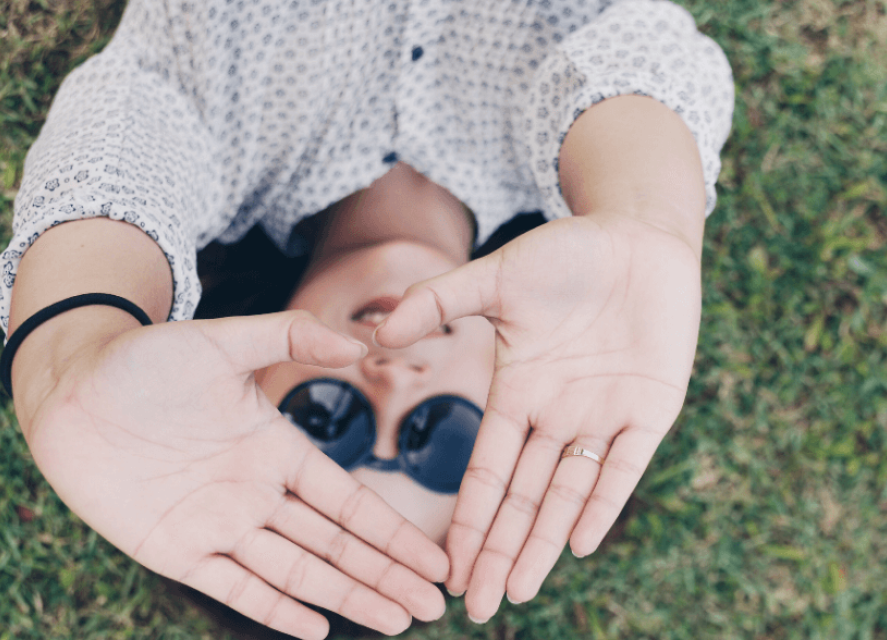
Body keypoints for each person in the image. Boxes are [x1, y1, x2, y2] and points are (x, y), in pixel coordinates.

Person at [0, 0, 734, 637]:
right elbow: (642, 49)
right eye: (441, 434)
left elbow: (129, 138)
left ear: (246, 382)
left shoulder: (214, 138)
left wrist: (66, 352)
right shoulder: (582, 175)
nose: (391, 381)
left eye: (326, 418)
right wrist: (645, 216)